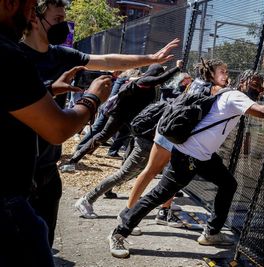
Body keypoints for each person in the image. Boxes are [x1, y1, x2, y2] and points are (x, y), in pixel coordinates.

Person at [19, 0, 179, 248]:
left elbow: (106, 60)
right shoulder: (14, 57)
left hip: (47, 167)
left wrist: (151, 58)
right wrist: (90, 99)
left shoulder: (62, 55)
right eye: (59, 20)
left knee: (43, 244)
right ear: (33, 18)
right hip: (15, 172)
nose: (65, 26)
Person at [107, 58, 264, 258]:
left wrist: (262, 88)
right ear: (239, 83)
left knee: (228, 184)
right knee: (158, 195)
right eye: (223, 71)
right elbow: (261, 111)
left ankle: (211, 233)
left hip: (203, 156)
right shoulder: (233, 95)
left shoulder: (226, 93)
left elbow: (250, 97)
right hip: (188, 156)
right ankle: (119, 233)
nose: (227, 74)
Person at [0, 1, 113, 265]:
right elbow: (58, 129)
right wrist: (92, 99)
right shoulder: (8, 54)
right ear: (10, 3)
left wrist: (48, 90)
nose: (30, 17)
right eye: (29, 8)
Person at [74, 71, 193, 231]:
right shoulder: (172, 92)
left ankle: (163, 207)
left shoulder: (171, 92)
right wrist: (176, 71)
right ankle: (87, 200)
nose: (189, 82)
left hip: (150, 139)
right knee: (124, 174)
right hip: (146, 140)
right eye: (187, 80)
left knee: (132, 174)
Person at [62, 61, 182, 172]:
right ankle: (75, 158)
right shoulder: (144, 81)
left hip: (131, 118)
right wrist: (177, 68)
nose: (159, 76)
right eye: (159, 73)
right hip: (119, 115)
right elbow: (160, 79)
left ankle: (124, 169)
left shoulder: (148, 83)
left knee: (134, 139)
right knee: (103, 135)